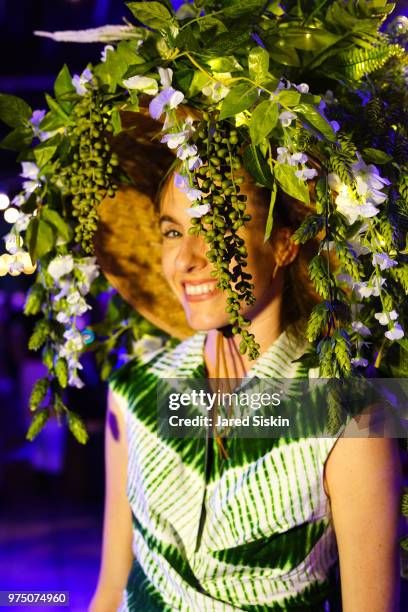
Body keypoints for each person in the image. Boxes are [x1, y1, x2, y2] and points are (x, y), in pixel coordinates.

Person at [89, 154, 403, 611]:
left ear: (283, 245)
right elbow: (111, 591)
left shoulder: (350, 417)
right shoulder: (136, 392)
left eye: (216, 227)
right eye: (173, 231)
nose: (187, 258)